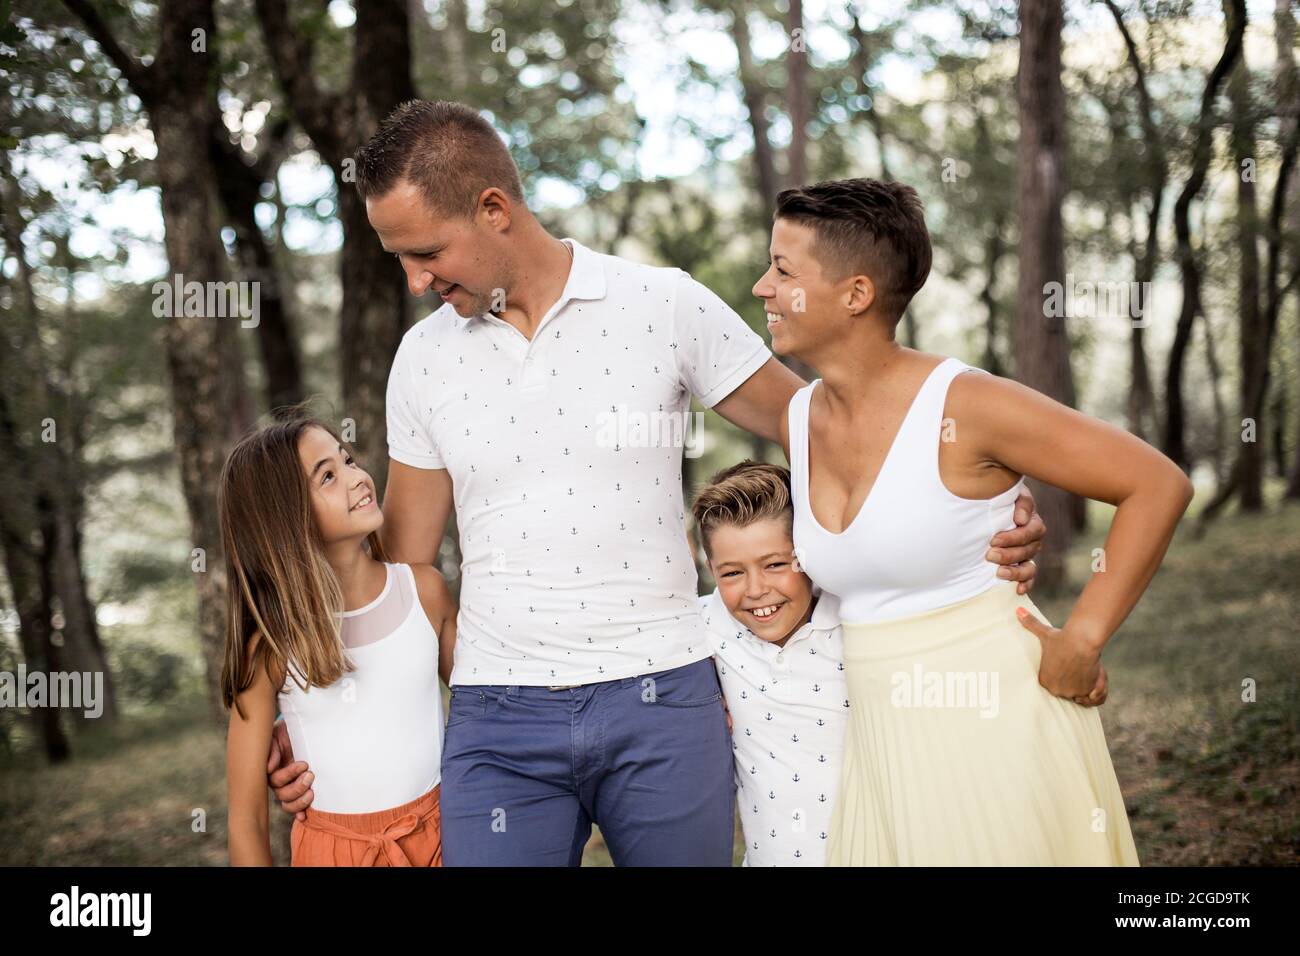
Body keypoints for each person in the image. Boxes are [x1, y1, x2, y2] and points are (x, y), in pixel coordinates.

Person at [266, 100, 1046, 866]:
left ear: (494, 209)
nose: (413, 281)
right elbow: (401, 572)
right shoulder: (423, 359)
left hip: (664, 695)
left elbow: (827, 429)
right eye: (399, 258)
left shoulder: (663, 304)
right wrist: (313, 714)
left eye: (426, 252)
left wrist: (972, 494)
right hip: (498, 717)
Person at [755, 177, 1194, 865]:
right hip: (881, 751)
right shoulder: (800, 418)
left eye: (783, 270)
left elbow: (1156, 484)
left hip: (999, 724)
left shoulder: (967, 404)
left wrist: (1084, 637)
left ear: (856, 293)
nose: (763, 287)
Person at [222, 416, 456, 866]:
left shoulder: (425, 593)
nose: (357, 477)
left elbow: (487, 709)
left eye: (347, 460)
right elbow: (245, 820)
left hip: (443, 842)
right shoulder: (271, 647)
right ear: (286, 518)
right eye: (327, 476)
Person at [692, 460, 846, 866]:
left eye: (775, 564)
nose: (757, 590)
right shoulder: (699, 626)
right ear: (711, 570)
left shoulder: (857, 622)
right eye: (732, 573)